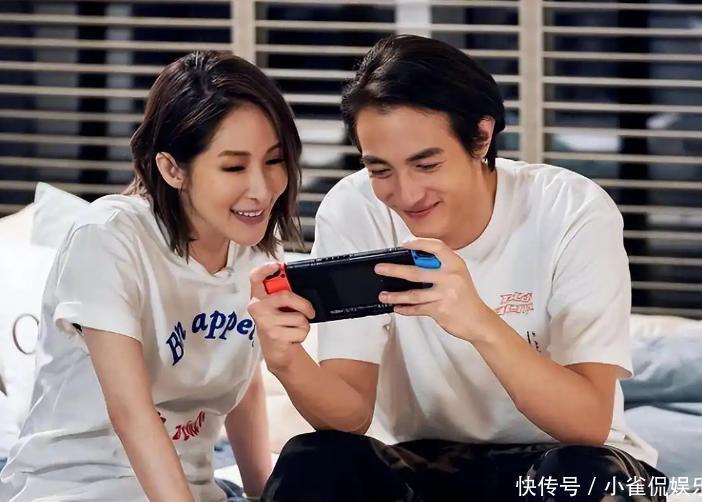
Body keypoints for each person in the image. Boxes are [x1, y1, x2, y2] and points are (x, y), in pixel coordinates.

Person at [248, 35, 666, 501]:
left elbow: (587, 424)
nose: (406, 195)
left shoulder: (571, 210)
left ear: (482, 137)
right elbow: (351, 418)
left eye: (426, 164)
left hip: (562, 461)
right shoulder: (355, 208)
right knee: (314, 458)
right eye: (381, 170)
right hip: (422, 463)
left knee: (588, 479)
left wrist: (479, 322)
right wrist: (287, 362)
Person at [0, 50, 303, 502]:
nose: (261, 189)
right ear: (171, 168)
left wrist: (262, 494)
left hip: (195, 490)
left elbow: (243, 377)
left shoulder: (255, 246)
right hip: (77, 487)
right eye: (234, 167)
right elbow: (130, 412)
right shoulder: (108, 237)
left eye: (274, 160)